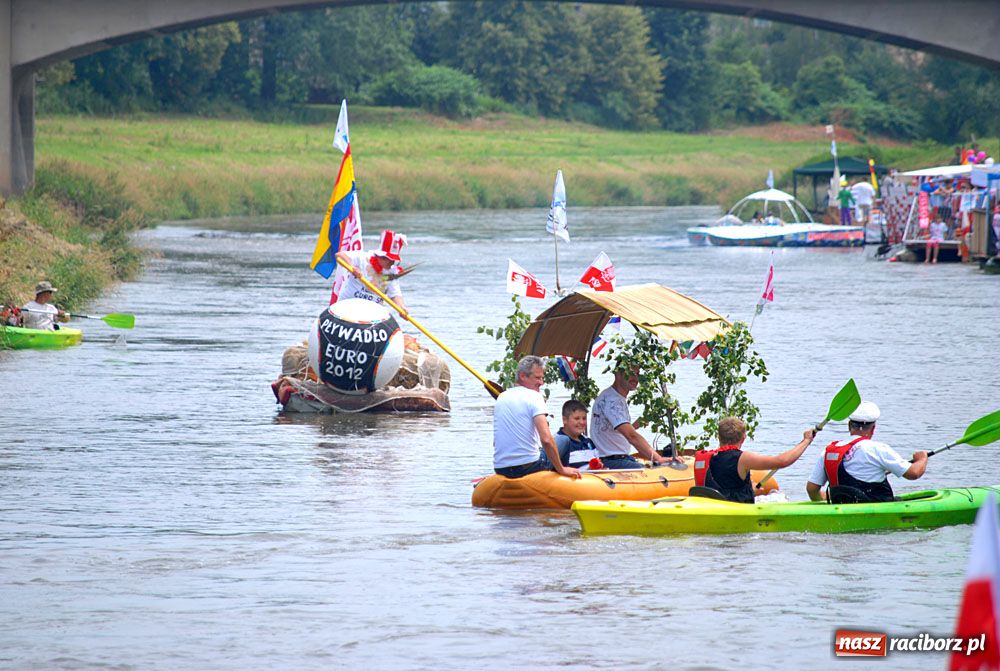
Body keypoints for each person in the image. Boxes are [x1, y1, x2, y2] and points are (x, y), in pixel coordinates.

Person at [806, 401, 927, 504]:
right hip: (875, 507)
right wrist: (922, 458)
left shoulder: (829, 450)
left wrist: (826, 500)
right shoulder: (877, 449)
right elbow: (914, 473)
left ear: (849, 426)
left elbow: (812, 489)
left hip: (841, 507)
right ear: (873, 428)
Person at [493, 355, 580, 479]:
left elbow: (496, 442)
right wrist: (561, 469)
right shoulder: (534, 396)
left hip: (500, 468)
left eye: (542, 378)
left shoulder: (502, 397)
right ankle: (562, 476)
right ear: (523, 376)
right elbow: (546, 439)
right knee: (564, 440)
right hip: (528, 467)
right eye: (537, 378)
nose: (541, 382)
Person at [693, 416, 816, 503]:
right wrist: (806, 441)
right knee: (778, 495)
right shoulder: (743, 458)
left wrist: (749, 490)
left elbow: (723, 487)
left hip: (714, 507)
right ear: (743, 438)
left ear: (718, 436)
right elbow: (782, 461)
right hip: (736, 511)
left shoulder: (705, 458)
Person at [590, 366, 671, 469]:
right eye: (631, 373)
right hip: (613, 461)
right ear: (617, 374)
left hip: (615, 458)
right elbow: (631, 436)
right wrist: (658, 459)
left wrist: (641, 422)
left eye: (637, 374)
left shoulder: (610, 395)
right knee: (654, 471)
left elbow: (617, 430)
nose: (635, 378)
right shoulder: (613, 401)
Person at [334, 229, 409, 318]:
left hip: (372, 314)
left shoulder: (392, 273)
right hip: (347, 307)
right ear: (381, 256)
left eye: (394, 260)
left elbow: (395, 294)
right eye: (389, 260)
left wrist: (401, 308)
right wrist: (352, 267)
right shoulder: (362, 258)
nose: (392, 263)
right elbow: (340, 255)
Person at [547, 399, 601, 470]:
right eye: (577, 418)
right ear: (564, 420)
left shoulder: (588, 441)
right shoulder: (557, 442)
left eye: (584, 418)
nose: (582, 422)